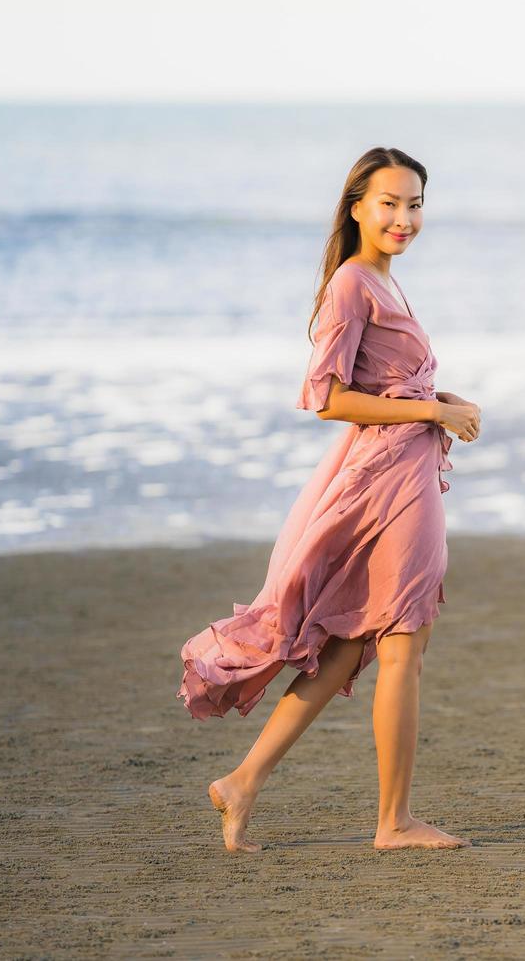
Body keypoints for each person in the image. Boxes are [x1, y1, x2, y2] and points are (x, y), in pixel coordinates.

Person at [176, 147, 481, 853]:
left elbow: (387, 386)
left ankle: (243, 782)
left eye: (415, 204)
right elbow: (329, 398)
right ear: (356, 207)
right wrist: (432, 416)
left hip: (401, 473)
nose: (404, 218)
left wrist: (442, 400)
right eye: (389, 203)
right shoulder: (353, 283)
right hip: (385, 482)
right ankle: (394, 824)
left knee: (348, 649)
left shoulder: (385, 280)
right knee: (404, 641)